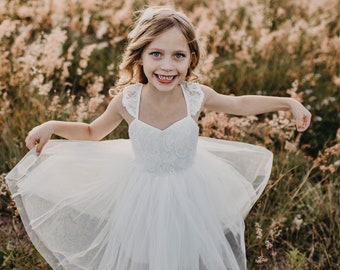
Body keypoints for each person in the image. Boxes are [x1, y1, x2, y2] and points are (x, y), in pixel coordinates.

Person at [6, 6, 311, 270]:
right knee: (141, 255)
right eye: (156, 54)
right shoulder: (127, 100)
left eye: (178, 55)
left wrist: (288, 103)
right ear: (139, 57)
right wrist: (52, 124)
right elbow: (91, 132)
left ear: (191, 59)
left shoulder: (195, 96)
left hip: (190, 192)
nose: (167, 66)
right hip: (141, 194)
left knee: (185, 252)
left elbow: (238, 103)